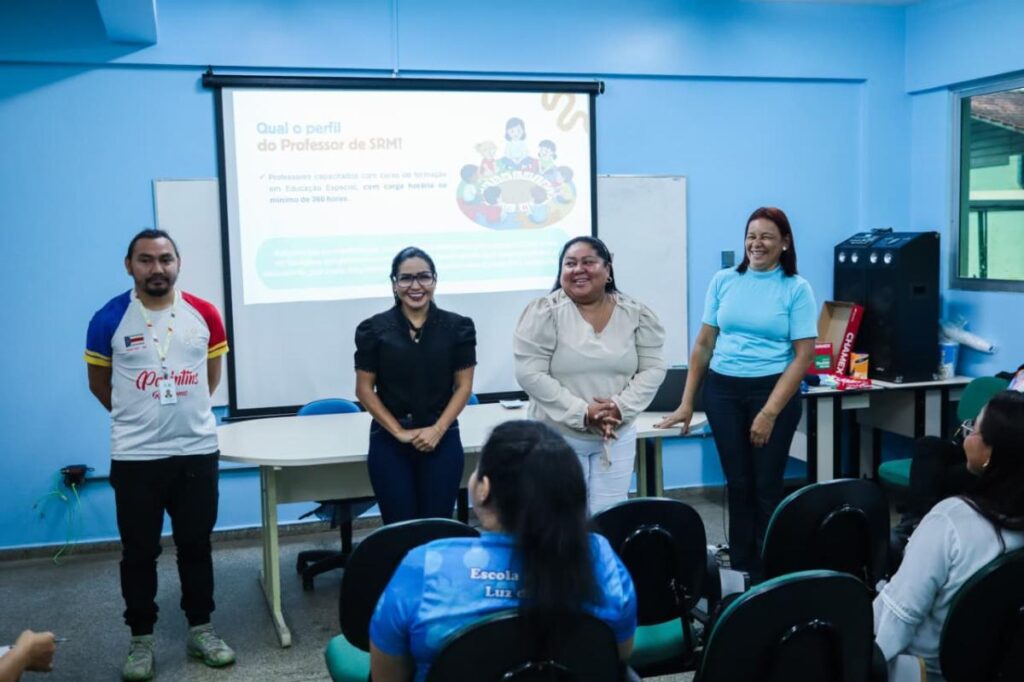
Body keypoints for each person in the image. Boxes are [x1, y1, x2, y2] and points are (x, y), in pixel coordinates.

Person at [369, 420, 637, 682]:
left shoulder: (424, 567)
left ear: (484, 489)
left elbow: (387, 676)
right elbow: (615, 658)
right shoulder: (601, 559)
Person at [85, 229, 235, 681]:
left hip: (196, 452)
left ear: (178, 263)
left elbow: (210, 379)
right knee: (138, 552)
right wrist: (139, 419)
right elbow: (100, 385)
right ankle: (141, 640)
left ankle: (201, 629)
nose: (157, 268)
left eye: (165, 259)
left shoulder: (204, 314)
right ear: (129, 265)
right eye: (146, 260)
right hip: (135, 457)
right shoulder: (109, 319)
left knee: (196, 546)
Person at [656, 207, 817, 577]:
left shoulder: (796, 288)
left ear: (785, 243)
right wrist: (686, 402)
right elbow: (703, 345)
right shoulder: (724, 280)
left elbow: (803, 356)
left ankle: (770, 571)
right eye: (751, 236)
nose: (756, 244)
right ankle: (742, 570)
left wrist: (769, 413)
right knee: (739, 483)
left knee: (766, 485)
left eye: (766, 237)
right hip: (723, 391)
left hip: (772, 391)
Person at [874, 391, 1024, 682]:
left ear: (990, 453)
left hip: (925, 671)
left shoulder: (950, 522)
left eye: (973, 429)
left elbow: (895, 622)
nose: (966, 437)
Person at [514, 236, 666, 514]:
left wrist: (619, 407)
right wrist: (583, 412)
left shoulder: (635, 313)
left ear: (608, 270)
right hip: (556, 436)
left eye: (588, 262)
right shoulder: (544, 312)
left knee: (610, 518)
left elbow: (652, 368)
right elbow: (530, 373)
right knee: (561, 521)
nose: (578, 270)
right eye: (570, 264)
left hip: (615, 435)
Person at [354, 247, 476, 524]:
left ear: (435, 280)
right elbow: (363, 390)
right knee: (399, 528)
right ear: (394, 284)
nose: (416, 286)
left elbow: (464, 387)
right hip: (390, 441)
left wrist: (437, 430)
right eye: (406, 278)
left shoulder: (458, 327)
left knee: (436, 527)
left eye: (424, 277)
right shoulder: (373, 329)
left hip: (441, 438)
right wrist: (399, 432)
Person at [890, 363, 1024, 562]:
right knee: (928, 446)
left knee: (938, 477)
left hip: (1004, 451)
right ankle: (916, 520)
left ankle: (924, 527)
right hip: (984, 440)